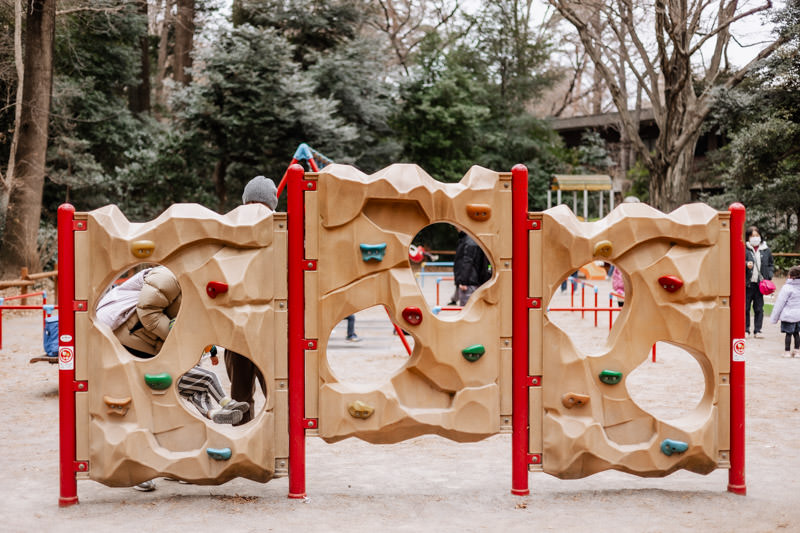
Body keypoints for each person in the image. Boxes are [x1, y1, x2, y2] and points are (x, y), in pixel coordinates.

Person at [96, 266, 247, 491]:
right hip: (126, 343)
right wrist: (180, 338)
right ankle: (138, 468)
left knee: (179, 397)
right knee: (145, 408)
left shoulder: (197, 292)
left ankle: (208, 418)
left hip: (152, 346)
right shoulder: (166, 276)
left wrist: (194, 347)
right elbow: (148, 313)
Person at [224, 175, 277, 425]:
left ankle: (244, 443)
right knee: (278, 390)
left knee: (240, 393)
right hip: (270, 322)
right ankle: (280, 444)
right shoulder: (280, 229)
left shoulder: (228, 225)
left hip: (235, 324)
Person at [745, 226, 774, 338]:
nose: (755, 238)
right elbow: (737, 261)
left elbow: (771, 264)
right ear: (748, 237)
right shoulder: (744, 248)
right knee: (745, 308)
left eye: (757, 236)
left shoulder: (766, 249)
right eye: (752, 236)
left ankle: (758, 330)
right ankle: (745, 330)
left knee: (759, 308)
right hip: (747, 284)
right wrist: (746, 264)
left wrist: (769, 275)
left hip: (760, 285)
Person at [452, 232, 491, 306]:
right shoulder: (477, 239)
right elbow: (488, 264)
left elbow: (468, 261)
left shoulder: (470, 241)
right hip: (478, 280)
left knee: (466, 308)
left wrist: (463, 281)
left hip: (470, 281)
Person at [770, 266, 800, 358]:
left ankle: (787, 351)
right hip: (798, 315)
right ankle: (797, 351)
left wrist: (774, 319)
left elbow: (780, 303)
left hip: (788, 315)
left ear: (790, 276)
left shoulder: (786, 288)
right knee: (797, 333)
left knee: (788, 334)